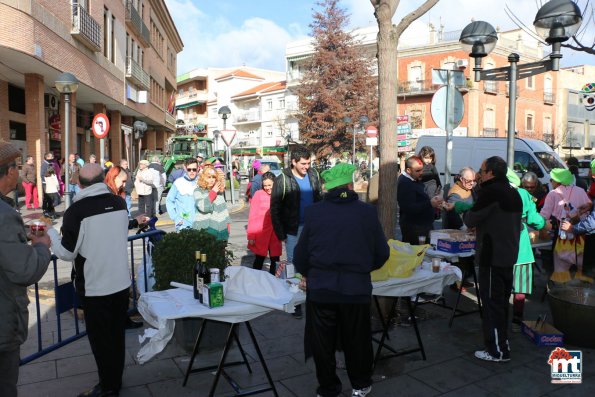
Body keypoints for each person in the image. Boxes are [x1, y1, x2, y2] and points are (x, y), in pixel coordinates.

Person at [293, 163, 390, 397]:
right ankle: (360, 384)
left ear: (329, 188)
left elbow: (300, 255)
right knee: (357, 339)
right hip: (355, 289)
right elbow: (382, 253)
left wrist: (307, 272)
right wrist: (363, 269)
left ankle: (328, 388)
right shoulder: (366, 212)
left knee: (323, 343)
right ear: (350, 185)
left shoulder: (315, 212)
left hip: (321, 289)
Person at [46, 164, 131, 397]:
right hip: (121, 283)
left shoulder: (76, 211)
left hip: (95, 287)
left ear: (80, 184)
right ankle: (115, 380)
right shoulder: (119, 203)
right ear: (104, 179)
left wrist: (50, 232)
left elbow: (66, 252)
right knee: (116, 337)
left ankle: (108, 387)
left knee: (101, 341)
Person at [0, 142, 52, 397]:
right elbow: (25, 270)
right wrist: (41, 246)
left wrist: (19, 232)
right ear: (9, 172)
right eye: (18, 168)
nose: (20, 173)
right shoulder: (4, 214)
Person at [462, 156, 522, 363]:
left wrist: (467, 209)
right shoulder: (514, 192)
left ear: (490, 173)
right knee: (502, 303)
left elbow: (470, 218)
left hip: (492, 256)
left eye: (481, 170)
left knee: (492, 305)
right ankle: (501, 342)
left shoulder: (491, 192)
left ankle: (497, 350)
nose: (479, 174)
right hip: (508, 254)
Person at [270, 145, 322, 319]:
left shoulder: (314, 174)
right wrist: (281, 234)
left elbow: (319, 198)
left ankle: (313, 296)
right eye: (303, 164)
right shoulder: (282, 179)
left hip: (313, 227)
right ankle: (296, 302)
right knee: (294, 266)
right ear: (293, 162)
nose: (306, 167)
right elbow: (275, 209)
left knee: (314, 261)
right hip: (293, 229)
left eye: (308, 163)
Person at [505, 169, 547, 333]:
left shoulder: (492, 193)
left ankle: (499, 315)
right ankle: (516, 317)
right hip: (519, 245)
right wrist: (544, 224)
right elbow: (534, 219)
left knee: (501, 284)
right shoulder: (523, 194)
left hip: (500, 246)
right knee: (520, 286)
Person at [540, 168, 591, 283]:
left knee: (561, 269)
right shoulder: (581, 191)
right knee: (580, 267)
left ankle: (562, 292)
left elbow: (544, 216)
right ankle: (579, 294)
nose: (550, 183)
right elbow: (589, 206)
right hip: (580, 235)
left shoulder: (553, 194)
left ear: (557, 181)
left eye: (551, 180)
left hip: (563, 235)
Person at [396, 155, 443, 245]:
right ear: (408, 170)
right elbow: (409, 208)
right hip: (415, 228)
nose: (421, 173)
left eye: (422, 169)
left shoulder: (414, 178)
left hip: (422, 226)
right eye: (418, 171)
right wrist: (430, 203)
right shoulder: (405, 183)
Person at [247, 172, 281, 274]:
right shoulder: (258, 194)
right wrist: (251, 236)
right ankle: (255, 282)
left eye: (269, 185)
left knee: (275, 260)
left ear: (275, 183)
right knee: (259, 259)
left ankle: (273, 282)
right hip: (261, 234)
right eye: (265, 185)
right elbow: (252, 216)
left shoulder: (279, 194)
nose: (267, 188)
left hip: (275, 234)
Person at [193, 165, 230, 241]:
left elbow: (224, 212)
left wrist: (227, 228)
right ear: (203, 178)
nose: (211, 180)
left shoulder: (219, 193)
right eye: (209, 177)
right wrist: (213, 192)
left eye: (213, 177)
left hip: (220, 232)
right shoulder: (198, 191)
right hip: (205, 231)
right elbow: (203, 207)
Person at [166, 158, 200, 231]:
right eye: (189, 169)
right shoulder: (178, 183)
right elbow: (169, 201)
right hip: (184, 225)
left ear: (198, 169)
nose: (192, 172)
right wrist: (176, 218)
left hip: (200, 224)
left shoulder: (201, 182)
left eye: (194, 169)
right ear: (185, 168)